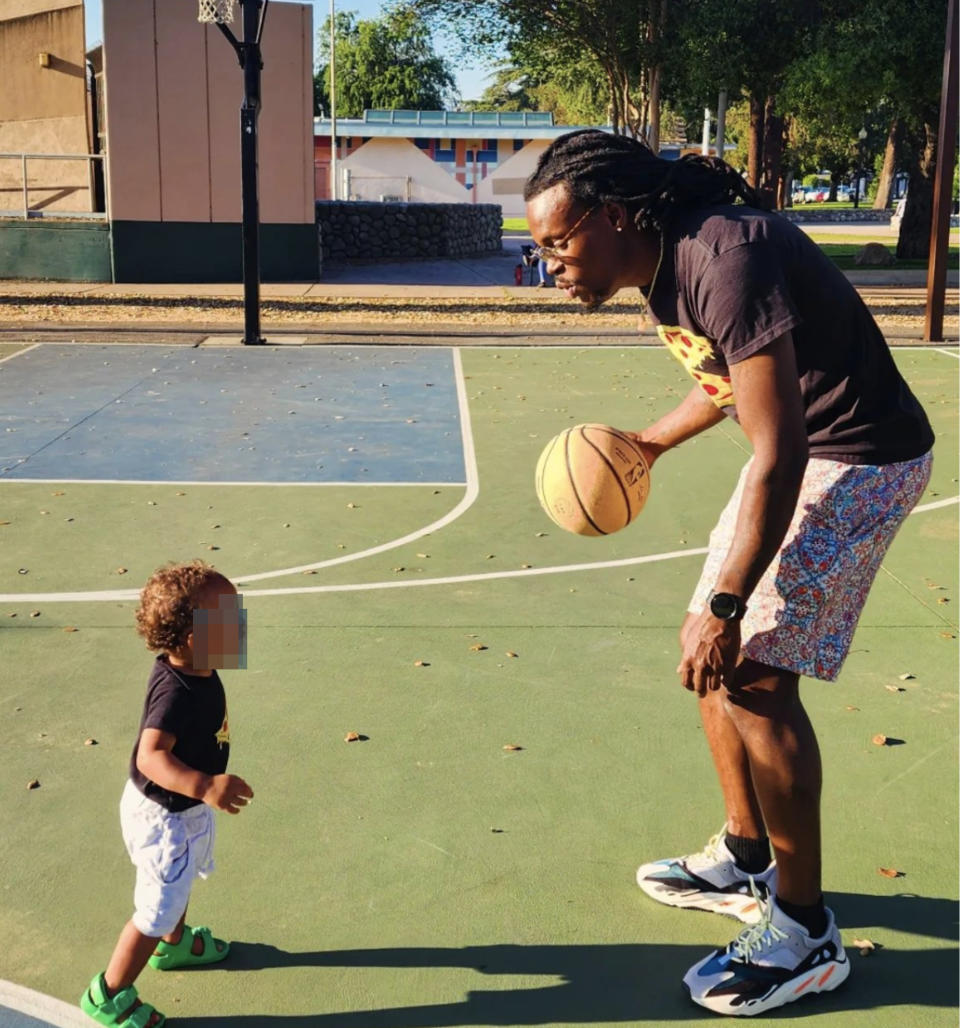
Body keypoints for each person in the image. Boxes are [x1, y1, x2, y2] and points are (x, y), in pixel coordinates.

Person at [524, 130, 934, 1017]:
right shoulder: (664, 264)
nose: (546, 260)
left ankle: (804, 931)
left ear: (615, 215)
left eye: (558, 242)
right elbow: (726, 380)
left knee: (749, 672)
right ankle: (747, 858)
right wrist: (648, 442)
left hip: (861, 459)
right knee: (718, 659)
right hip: (807, 451)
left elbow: (780, 452)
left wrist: (726, 601)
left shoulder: (723, 257)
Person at [80, 561, 253, 1028]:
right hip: (165, 816)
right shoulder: (176, 691)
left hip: (182, 809)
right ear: (188, 634)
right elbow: (150, 756)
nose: (238, 624)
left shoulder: (199, 669)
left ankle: (174, 944)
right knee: (155, 909)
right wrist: (204, 784)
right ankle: (109, 995)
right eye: (225, 617)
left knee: (180, 884)